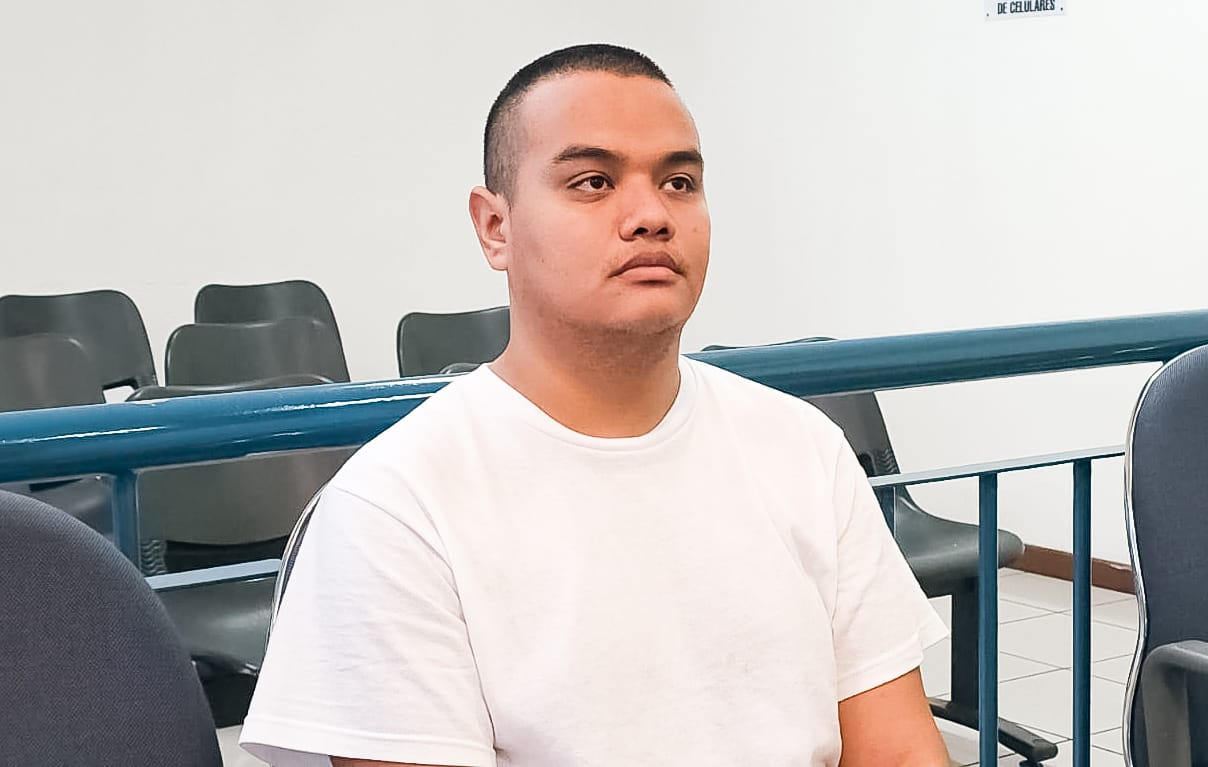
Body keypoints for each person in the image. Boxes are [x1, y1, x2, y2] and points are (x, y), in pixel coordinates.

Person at [241, 43, 950, 767]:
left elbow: (898, 752)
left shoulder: (802, 446)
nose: (651, 215)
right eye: (593, 182)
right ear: (495, 227)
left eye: (679, 182)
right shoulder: (395, 507)